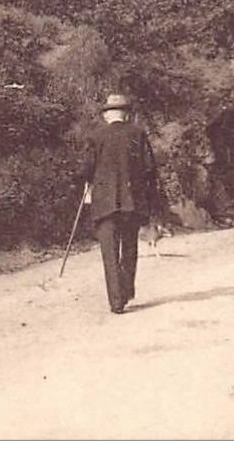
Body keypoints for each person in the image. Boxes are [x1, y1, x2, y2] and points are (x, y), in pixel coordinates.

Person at [78, 92, 159, 314]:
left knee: (109, 252)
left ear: (107, 115)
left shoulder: (96, 137)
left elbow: (85, 169)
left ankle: (116, 301)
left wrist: (88, 181)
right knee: (129, 247)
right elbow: (150, 168)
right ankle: (127, 289)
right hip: (131, 201)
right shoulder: (138, 134)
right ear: (126, 115)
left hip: (104, 203)